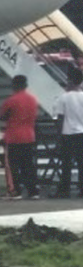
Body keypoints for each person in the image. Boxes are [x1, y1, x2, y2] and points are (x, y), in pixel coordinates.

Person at [0, 74, 41, 200]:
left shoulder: (11, 100)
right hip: (29, 135)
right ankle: (33, 191)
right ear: (26, 85)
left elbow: (2, 116)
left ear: (14, 85)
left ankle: (15, 190)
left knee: (12, 166)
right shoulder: (33, 100)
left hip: (13, 136)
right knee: (28, 165)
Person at [52, 67, 83, 199]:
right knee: (81, 163)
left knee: (66, 164)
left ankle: (64, 190)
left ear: (70, 81)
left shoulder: (63, 98)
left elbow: (60, 118)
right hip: (82, 134)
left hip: (67, 134)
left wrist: (58, 137)